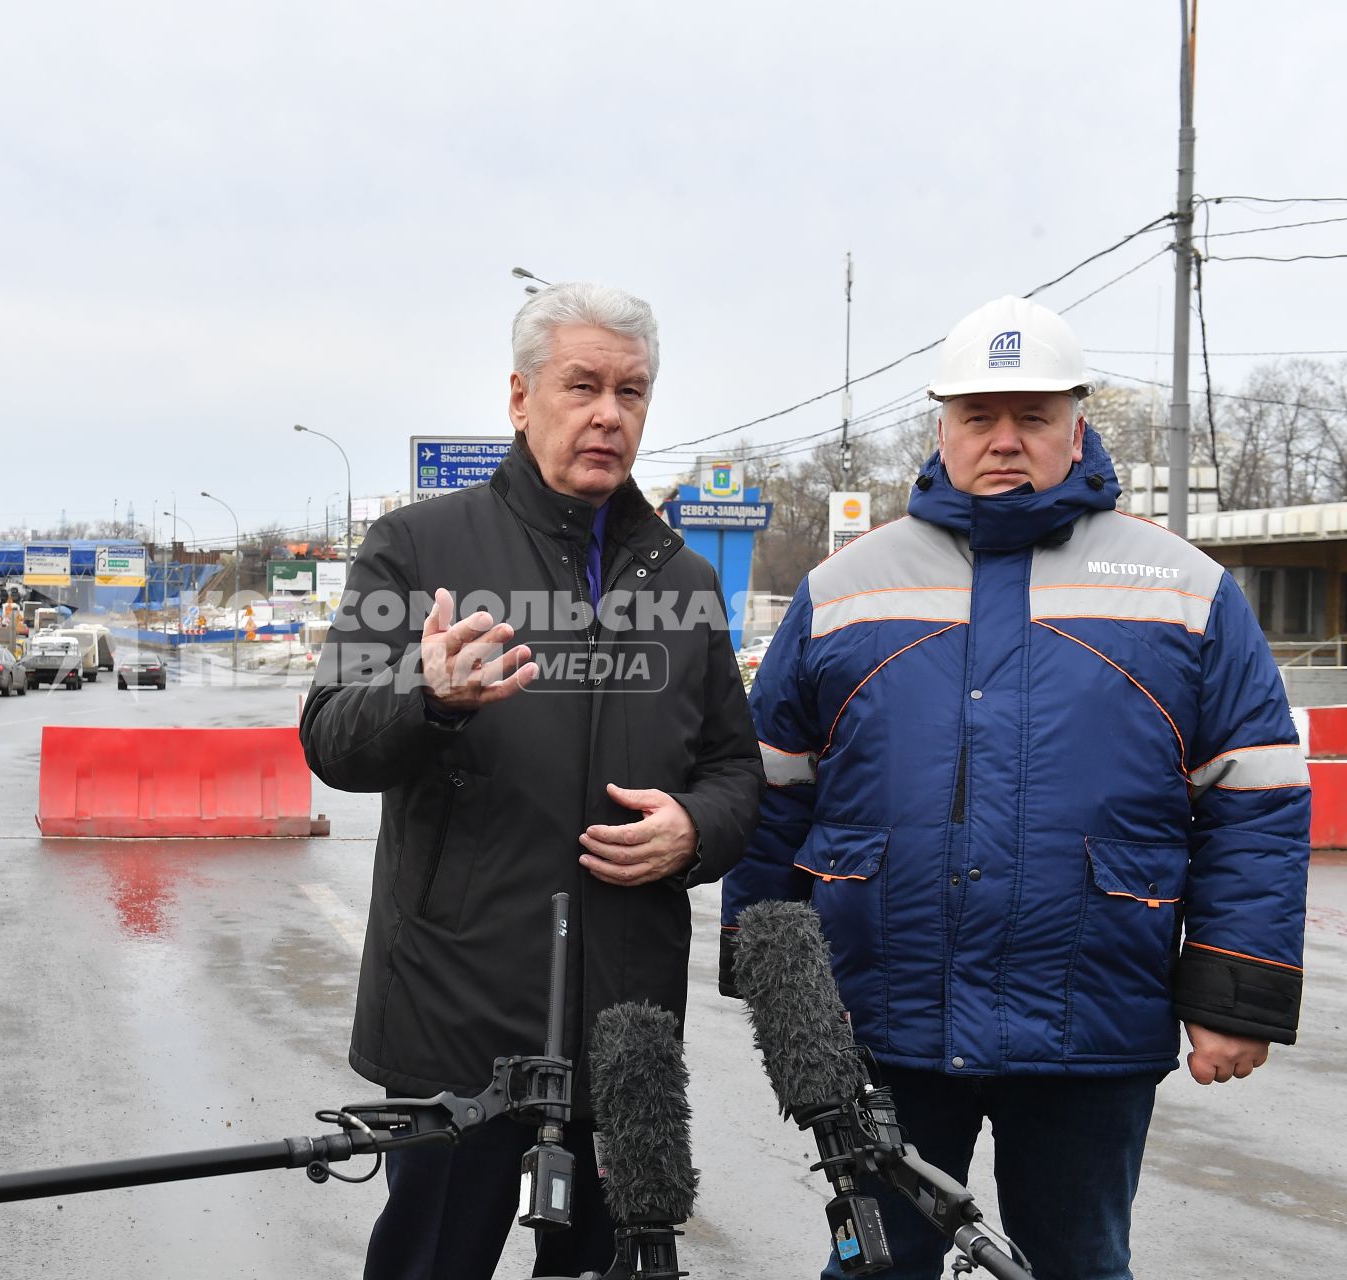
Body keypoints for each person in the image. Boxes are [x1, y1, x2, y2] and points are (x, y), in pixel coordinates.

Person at [720, 295, 1310, 1279]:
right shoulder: (842, 590)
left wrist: (1236, 993)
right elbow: (775, 791)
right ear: (940, 426)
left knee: (1075, 1262)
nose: (1005, 440)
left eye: (1032, 417)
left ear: (1077, 423)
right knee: (872, 1266)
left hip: (1093, 1022)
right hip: (883, 1023)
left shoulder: (1185, 588)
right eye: (979, 417)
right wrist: (771, 983)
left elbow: (1254, 801)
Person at [300, 282, 763, 1279]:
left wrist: (695, 827)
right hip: (453, 1016)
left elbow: (735, 768)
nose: (608, 413)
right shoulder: (420, 547)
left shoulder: (682, 580)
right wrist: (425, 690)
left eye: (631, 391)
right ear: (520, 398)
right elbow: (331, 737)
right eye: (582, 384)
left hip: (626, 1022)